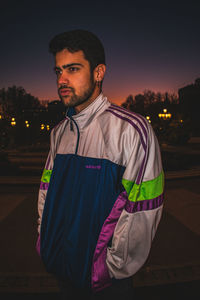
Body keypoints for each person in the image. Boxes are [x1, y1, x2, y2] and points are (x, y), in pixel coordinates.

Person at [36, 29, 164, 299]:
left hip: (105, 283)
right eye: (58, 71)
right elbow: (46, 193)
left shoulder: (131, 131)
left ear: (98, 72)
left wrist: (110, 268)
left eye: (72, 68)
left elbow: (142, 209)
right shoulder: (59, 133)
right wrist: (44, 241)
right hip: (61, 268)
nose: (62, 79)